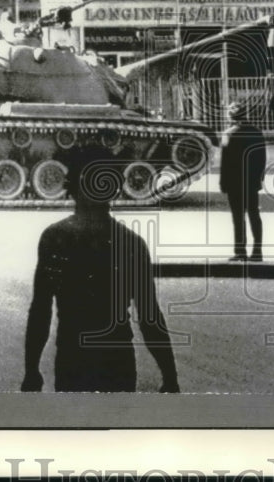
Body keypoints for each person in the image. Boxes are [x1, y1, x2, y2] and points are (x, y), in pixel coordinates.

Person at [21, 146, 180, 393]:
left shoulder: (55, 238)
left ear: (71, 186)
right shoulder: (131, 242)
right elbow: (150, 317)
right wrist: (170, 377)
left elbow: (41, 309)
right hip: (118, 362)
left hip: (72, 358)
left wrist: (31, 370)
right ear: (114, 188)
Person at [219, 102, 267, 262]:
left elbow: (225, 163)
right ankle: (257, 251)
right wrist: (259, 177)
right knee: (254, 214)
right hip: (251, 181)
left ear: (231, 117)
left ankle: (240, 251)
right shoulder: (256, 132)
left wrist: (223, 183)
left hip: (234, 182)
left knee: (238, 217)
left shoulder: (229, 134)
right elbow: (262, 159)